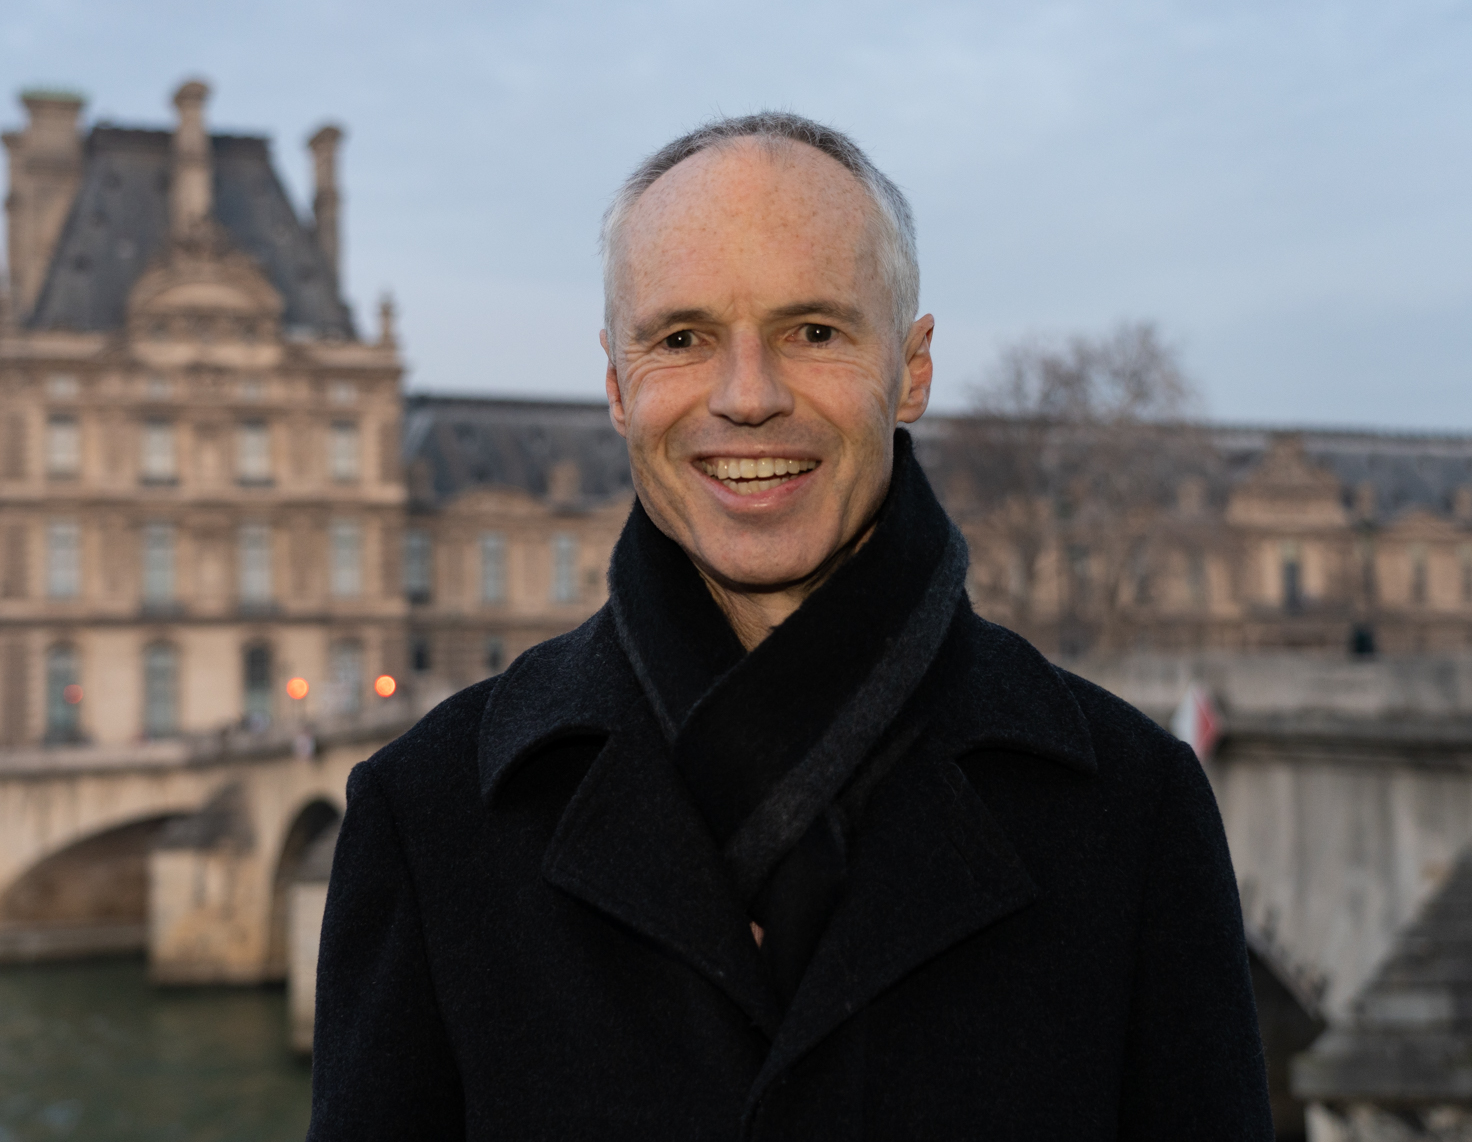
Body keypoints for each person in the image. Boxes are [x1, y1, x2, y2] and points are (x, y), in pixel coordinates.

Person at [307, 113, 1273, 1140]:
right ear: (616, 386)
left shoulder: (1136, 811)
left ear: (912, 369)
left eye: (813, 331)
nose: (748, 397)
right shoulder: (425, 817)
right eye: (682, 339)